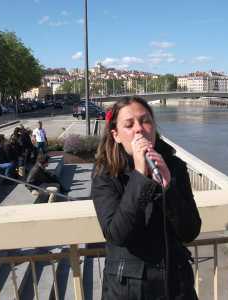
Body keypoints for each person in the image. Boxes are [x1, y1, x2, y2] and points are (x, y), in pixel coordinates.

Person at [91, 96, 201, 299]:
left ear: (154, 127)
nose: (139, 129)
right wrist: (140, 177)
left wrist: (168, 188)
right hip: (128, 289)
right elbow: (118, 234)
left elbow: (190, 231)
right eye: (129, 124)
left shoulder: (174, 166)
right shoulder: (105, 174)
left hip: (175, 285)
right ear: (115, 135)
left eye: (145, 121)